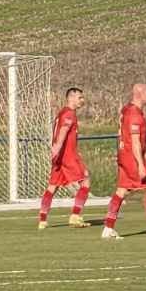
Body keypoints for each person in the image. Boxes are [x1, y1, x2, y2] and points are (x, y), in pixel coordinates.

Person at [101, 82, 146, 240]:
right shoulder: (135, 114)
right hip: (132, 159)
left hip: (124, 156)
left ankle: (108, 228)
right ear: (140, 94)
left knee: (122, 191)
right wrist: (141, 165)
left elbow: (134, 134)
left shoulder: (127, 109)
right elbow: (135, 142)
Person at [39, 87, 92, 229]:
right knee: (86, 181)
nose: (82, 100)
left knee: (52, 187)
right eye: (80, 97)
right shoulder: (69, 113)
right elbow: (63, 131)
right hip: (67, 156)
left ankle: (42, 220)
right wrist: (57, 148)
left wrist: (56, 151)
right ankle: (75, 216)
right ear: (71, 98)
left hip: (59, 158)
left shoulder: (62, 112)